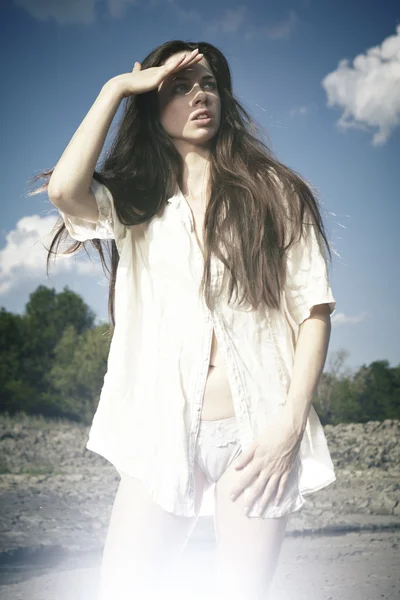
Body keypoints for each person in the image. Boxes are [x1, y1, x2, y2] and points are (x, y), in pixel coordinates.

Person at [31, 40, 337, 600]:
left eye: (210, 84)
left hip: (259, 429)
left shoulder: (276, 192)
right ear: (152, 103)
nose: (201, 96)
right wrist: (116, 89)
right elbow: (64, 190)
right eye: (180, 85)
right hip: (161, 429)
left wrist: (289, 428)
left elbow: (313, 311)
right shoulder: (135, 202)